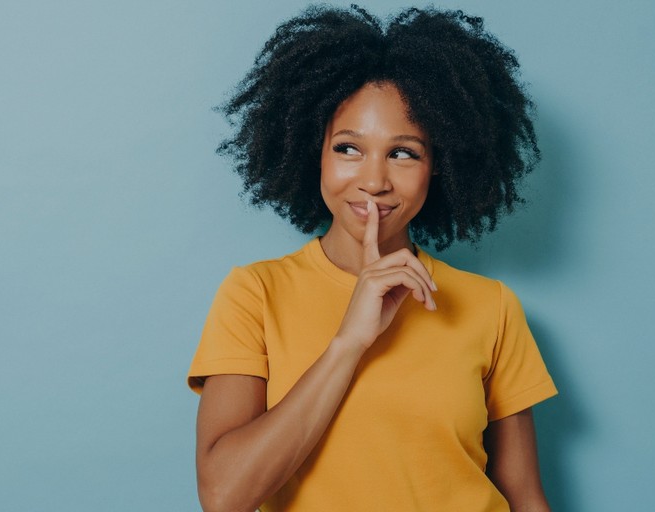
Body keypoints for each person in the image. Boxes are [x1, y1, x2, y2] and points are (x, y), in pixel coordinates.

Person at [187, 6, 557, 511]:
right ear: (310, 153)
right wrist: (349, 342)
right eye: (348, 148)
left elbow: (525, 498)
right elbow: (224, 496)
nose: (375, 180)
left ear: (439, 167)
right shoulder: (255, 293)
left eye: (404, 152)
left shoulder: (490, 307)